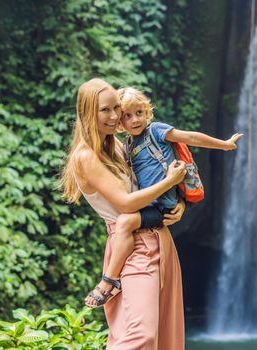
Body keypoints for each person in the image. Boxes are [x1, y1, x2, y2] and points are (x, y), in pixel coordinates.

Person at [88, 86, 243, 309]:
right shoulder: (129, 145)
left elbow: (189, 137)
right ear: (119, 124)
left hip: (161, 205)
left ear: (147, 112)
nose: (134, 120)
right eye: (127, 116)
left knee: (125, 223)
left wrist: (224, 144)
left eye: (139, 113)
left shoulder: (157, 131)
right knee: (126, 222)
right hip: (148, 202)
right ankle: (113, 276)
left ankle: (109, 280)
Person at [61, 78, 186, 349]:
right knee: (141, 336)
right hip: (133, 247)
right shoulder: (85, 156)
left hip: (159, 238)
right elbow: (127, 203)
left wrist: (180, 205)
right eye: (105, 110)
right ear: (86, 113)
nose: (115, 116)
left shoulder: (118, 145)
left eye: (116, 108)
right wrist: (171, 181)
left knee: (166, 335)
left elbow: (153, 181)